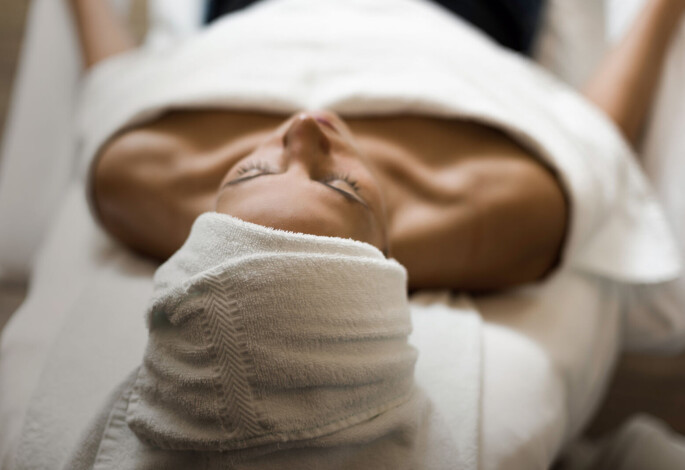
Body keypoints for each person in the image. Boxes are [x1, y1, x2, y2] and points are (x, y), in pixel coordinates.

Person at [67, 0, 685, 293]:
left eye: (253, 170)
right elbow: (597, 134)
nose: (307, 125)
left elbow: (111, 83)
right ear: (389, 247)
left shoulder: (136, 176)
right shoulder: (501, 214)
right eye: (340, 184)